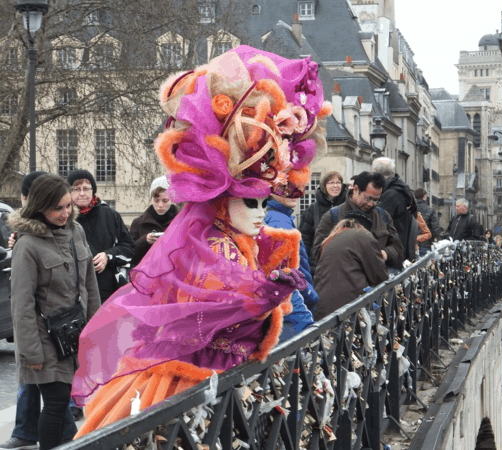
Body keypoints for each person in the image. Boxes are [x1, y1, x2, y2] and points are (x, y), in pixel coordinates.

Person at [70, 46, 331, 437]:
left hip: (227, 383)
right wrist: (266, 294)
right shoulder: (207, 241)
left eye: (265, 201)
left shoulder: (246, 239)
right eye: (251, 201)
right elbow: (210, 307)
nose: (260, 211)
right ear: (226, 202)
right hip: (188, 378)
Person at [8, 175, 100, 450]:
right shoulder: (27, 245)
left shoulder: (76, 232)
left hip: (73, 334)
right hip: (43, 337)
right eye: (57, 208)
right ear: (40, 206)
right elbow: (21, 305)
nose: (65, 213)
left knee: (64, 404)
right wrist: (31, 353)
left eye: (68, 206)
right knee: (58, 401)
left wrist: (96, 329)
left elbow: (89, 285)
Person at [66, 170, 135, 303]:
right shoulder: (64, 217)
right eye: (76, 189)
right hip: (73, 292)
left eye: (86, 188)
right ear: (69, 192)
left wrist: (108, 256)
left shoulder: (110, 215)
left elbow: (129, 249)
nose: (82, 193)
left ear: (93, 190)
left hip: (107, 292)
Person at [312, 171, 403, 268]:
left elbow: (397, 248)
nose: (371, 204)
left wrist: (385, 254)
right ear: (355, 189)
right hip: (345, 279)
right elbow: (318, 252)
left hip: (377, 280)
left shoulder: (383, 216)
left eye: (376, 200)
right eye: (368, 198)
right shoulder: (332, 216)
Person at [313, 213, 388, 321]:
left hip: (323, 309)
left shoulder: (331, 239)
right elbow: (379, 276)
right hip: (349, 309)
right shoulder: (362, 236)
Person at [264, 194, 316, 339]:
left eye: (299, 188)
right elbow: (289, 272)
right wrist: (310, 294)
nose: (294, 193)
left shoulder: (279, 218)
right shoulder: (278, 221)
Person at [299, 171, 347, 274]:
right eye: (331, 183)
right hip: (318, 265)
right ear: (324, 185)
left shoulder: (348, 207)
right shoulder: (313, 209)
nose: (335, 186)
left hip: (344, 263)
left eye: (338, 183)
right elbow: (305, 239)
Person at [372, 157, 417, 262]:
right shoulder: (401, 189)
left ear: (375, 172)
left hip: (393, 251)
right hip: (401, 246)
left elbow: (380, 222)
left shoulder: (391, 194)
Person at [129, 176, 179, 268]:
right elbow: (129, 254)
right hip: (146, 275)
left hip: (174, 274)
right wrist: (145, 240)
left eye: (165, 201)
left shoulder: (180, 222)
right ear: (151, 199)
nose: (160, 205)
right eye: (156, 201)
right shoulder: (138, 223)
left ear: (172, 199)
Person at [414, 188, 440, 256]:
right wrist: (437, 239)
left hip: (412, 244)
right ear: (424, 196)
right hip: (425, 243)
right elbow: (435, 227)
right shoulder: (430, 210)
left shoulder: (409, 209)